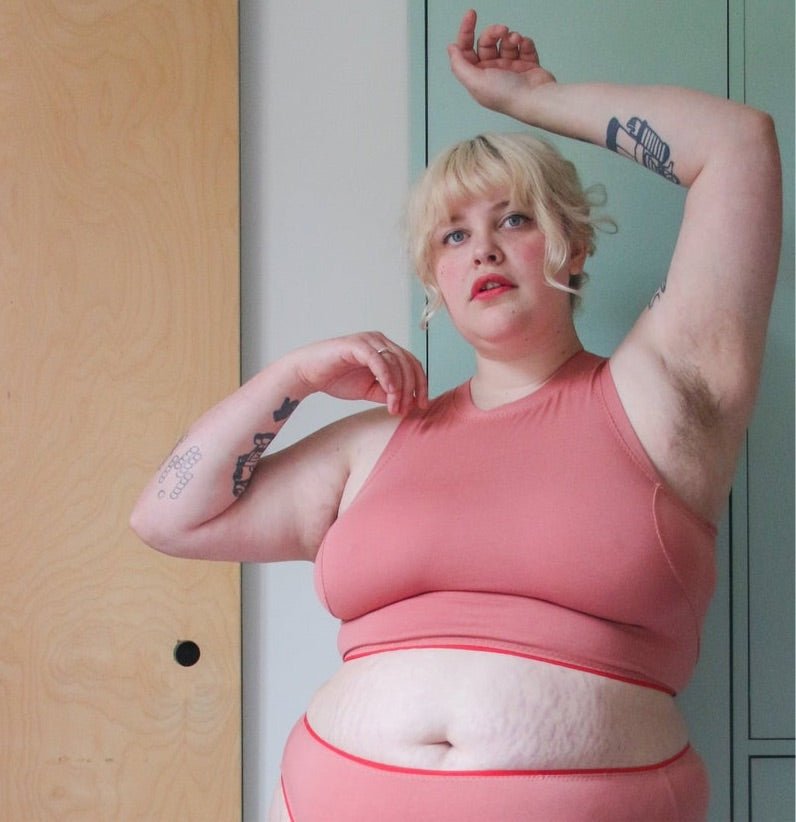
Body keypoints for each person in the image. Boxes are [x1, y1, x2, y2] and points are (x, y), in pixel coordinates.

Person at [130, 9, 781, 821]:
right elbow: (167, 518)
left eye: (515, 218)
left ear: (574, 245)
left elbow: (738, 146)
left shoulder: (662, 395)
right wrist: (292, 377)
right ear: (434, 281)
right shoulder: (376, 444)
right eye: (453, 236)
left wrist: (531, 102)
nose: (484, 249)